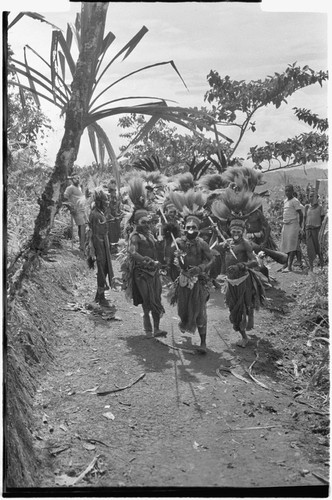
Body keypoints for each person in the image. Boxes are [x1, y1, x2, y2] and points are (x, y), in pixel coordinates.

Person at [168, 214, 215, 353]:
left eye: (193, 227)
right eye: (188, 227)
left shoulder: (202, 243)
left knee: (200, 311)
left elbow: (211, 259)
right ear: (184, 228)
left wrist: (200, 268)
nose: (190, 229)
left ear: (198, 229)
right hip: (183, 280)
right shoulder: (177, 242)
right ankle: (184, 323)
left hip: (198, 281)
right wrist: (175, 256)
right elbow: (170, 261)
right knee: (183, 309)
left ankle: (203, 343)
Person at [218, 218, 265, 347]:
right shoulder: (227, 243)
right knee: (233, 307)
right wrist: (222, 273)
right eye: (234, 231)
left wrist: (241, 265)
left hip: (243, 280)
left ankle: (244, 337)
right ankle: (246, 325)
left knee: (240, 308)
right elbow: (224, 260)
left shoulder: (245, 244)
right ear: (230, 231)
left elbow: (255, 262)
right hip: (231, 281)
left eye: (239, 231)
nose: (236, 233)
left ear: (243, 231)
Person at [127, 209, 167, 338]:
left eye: (148, 222)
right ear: (136, 223)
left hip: (154, 272)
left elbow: (157, 250)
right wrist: (146, 260)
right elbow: (132, 252)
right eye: (143, 222)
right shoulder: (135, 237)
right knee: (147, 300)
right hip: (141, 273)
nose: (146, 225)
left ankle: (156, 329)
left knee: (157, 298)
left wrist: (161, 245)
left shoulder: (150, 235)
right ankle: (148, 329)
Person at [88, 188, 115, 307]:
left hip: (104, 245)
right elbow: (95, 235)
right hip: (100, 246)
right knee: (102, 269)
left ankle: (100, 296)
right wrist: (98, 252)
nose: (107, 202)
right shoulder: (95, 214)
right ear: (99, 201)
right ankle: (100, 297)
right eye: (105, 200)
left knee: (104, 269)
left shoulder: (100, 213)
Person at [279, 185, 304, 273]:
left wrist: (300, 226)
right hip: (286, 225)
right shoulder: (285, 201)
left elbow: (300, 214)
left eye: (289, 191)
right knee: (285, 245)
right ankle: (285, 264)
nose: (287, 193)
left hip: (293, 225)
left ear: (292, 191)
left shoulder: (295, 201)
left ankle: (289, 267)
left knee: (292, 246)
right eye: (286, 191)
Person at [64, 174, 87, 253]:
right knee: (82, 225)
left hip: (82, 209)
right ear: (72, 179)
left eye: (78, 178)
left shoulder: (79, 188)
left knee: (83, 227)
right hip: (76, 210)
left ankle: (82, 244)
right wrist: (70, 208)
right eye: (76, 178)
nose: (77, 179)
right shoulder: (70, 188)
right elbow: (65, 198)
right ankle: (82, 246)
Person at [304, 189, 326, 272]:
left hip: (317, 231)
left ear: (317, 198)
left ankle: (322, 266)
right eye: (310, 196)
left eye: (313, 196)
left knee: (318, 249)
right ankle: (311, 268)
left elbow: (323, 219)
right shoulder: (307, 207)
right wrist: (303, 229)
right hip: (308, 230)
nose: (311, 198)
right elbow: (305, 219)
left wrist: (322, 231)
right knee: (310, 249)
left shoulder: (320, 208)